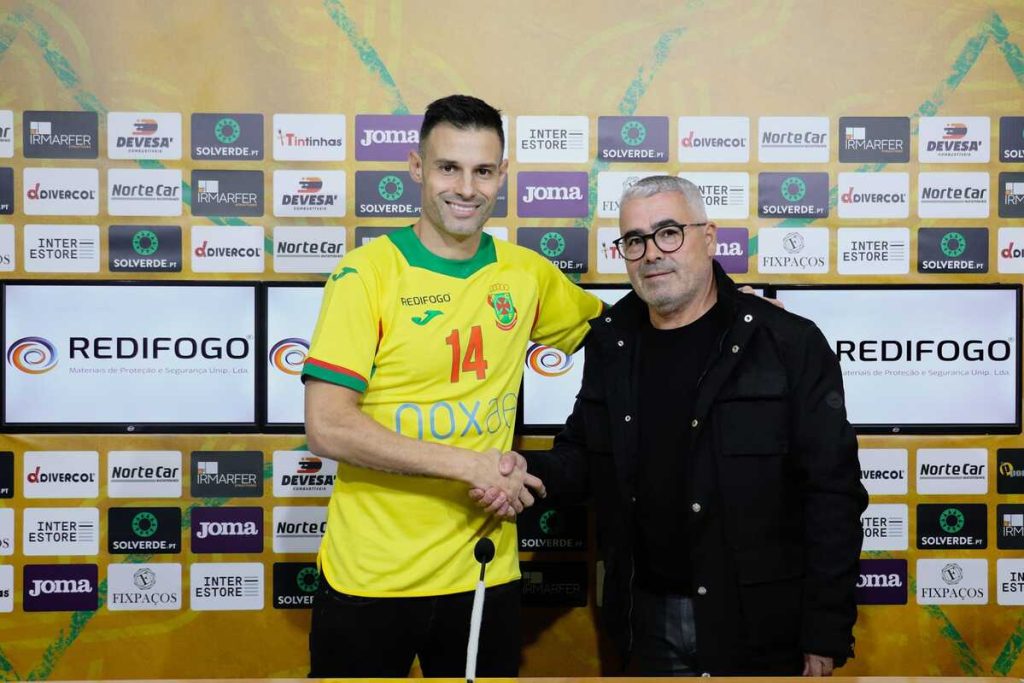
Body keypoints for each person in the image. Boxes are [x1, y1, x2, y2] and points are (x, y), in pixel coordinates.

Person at [301, 95, 603, 678]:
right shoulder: (365, 275)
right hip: (370, 576)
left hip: (484, 572)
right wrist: (470, 466)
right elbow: (328, 425)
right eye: (449, 168)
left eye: (483, 171)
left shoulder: (527, 273)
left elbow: (620, 339)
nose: (466, 188)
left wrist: (711, 303)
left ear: (502, 176)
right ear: (417, 168)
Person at [517, 176, 869, 676]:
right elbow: (582, 459)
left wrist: (825, 629)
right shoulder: (611, 343)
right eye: (634, 240)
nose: (651, 253)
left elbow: (832, 493)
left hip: (763, 623)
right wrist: (515, 470)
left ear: (709, 237)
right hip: (646, 621)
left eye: (668, 233)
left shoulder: (787, 342)